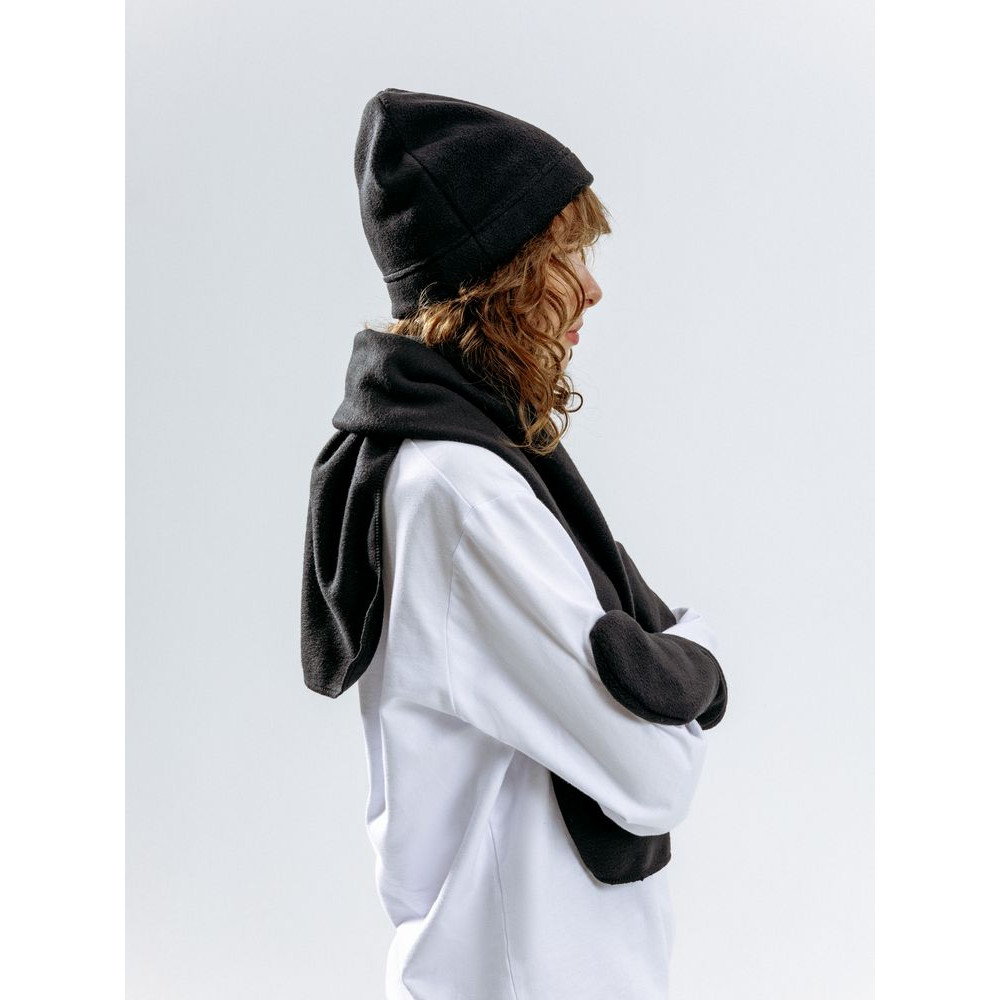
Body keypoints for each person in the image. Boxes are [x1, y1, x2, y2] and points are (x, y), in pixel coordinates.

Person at [300, 87, 728, 1000]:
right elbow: (655, 776)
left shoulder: (462, 463)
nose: (592, 287)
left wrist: (653, 663)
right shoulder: (462, 492)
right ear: (497, 276)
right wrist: (696, 655)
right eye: (564, 255)